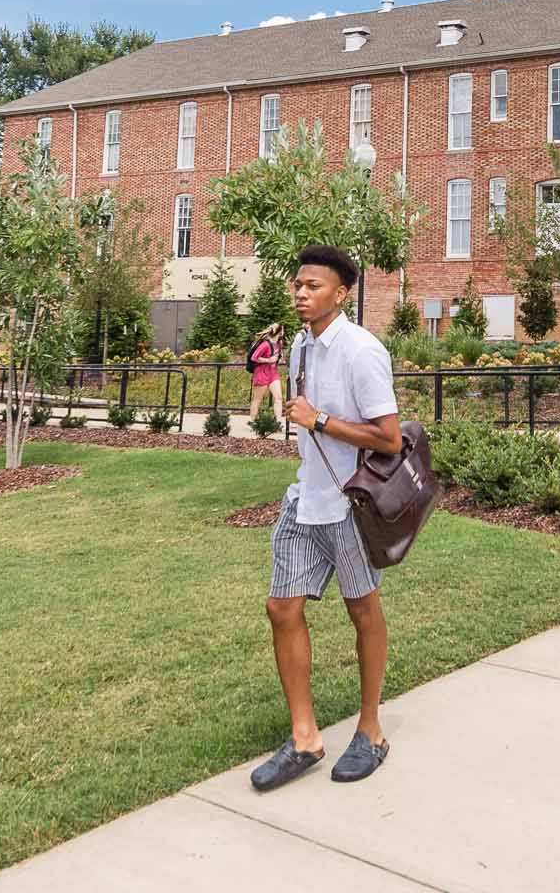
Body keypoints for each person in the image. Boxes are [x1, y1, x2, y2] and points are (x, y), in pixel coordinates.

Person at [249, 245, 404, 794]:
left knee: (363, 610)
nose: (300, 292)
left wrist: (321, 421)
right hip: (306, 499)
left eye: (312, 286)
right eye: (297, 284)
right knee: (280, 607)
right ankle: (305, 737)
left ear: (341, 294)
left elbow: (390, 437)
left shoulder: (362, 351)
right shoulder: (298, 346)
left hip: (352, 507)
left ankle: (371, 730)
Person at [246, 323, 286, 423]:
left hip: (273, 373)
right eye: (282, 330)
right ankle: (253, 422)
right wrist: (268, 360)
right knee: (257, 400)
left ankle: (278, 422)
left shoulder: (279, 343)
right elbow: (254, 357)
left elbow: (278, 355)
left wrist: (278, 359)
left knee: (279, 398)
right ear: (279, 332)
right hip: (261, 374)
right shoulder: (265, 345)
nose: (284, 332)